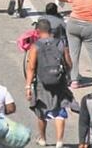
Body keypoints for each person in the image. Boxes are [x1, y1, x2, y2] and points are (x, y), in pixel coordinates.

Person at [24, 18, 73, 147]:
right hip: (59, 81)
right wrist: (66, 75)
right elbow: (69, 64)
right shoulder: (60, 43)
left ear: (38, 31)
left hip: (42, 83)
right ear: (50, 30)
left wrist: (28, 86)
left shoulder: (35, 46)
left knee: (41, 111)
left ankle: (43, 138)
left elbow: (31, 67)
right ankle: (59, 141)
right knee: (60, 110)